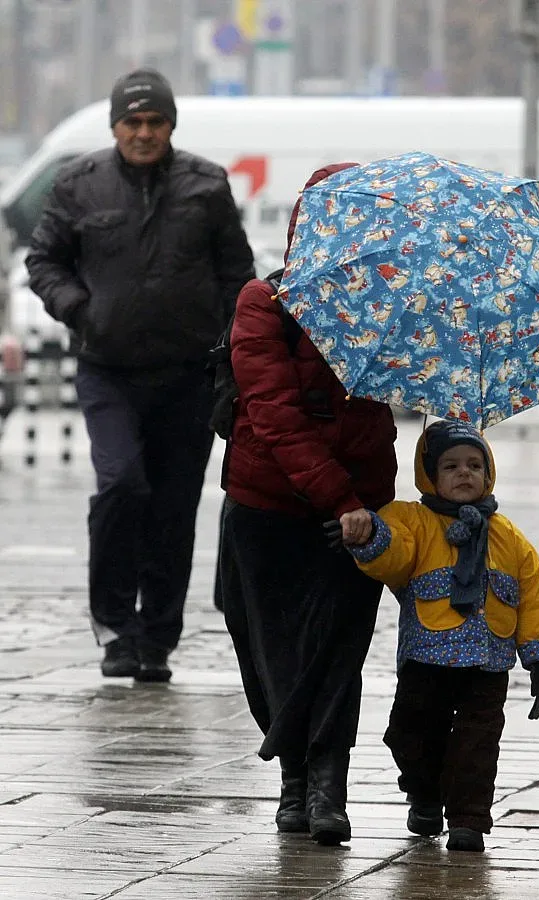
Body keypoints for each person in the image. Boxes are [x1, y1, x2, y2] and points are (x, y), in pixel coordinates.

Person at [25, 68, 256, 682]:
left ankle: (155, 638)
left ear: (171, 125)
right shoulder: (79, 184)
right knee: (123, 485)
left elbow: (238, 273)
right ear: (115, 126)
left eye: (155, 121)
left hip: (187, 375)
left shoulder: (206, 185)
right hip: (110, 370)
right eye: (134, 121)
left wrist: (233, 346)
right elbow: (43, 258)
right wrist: (78, 306)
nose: (145, 132)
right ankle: (113, 625)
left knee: (175, 507)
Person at [219, 163, 398, 847]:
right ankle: (294, 777)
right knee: (271, 652)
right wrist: (340, 498)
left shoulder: (388, 302)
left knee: (337, 653)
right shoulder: (265, 302)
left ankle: (327, 787)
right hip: (268, 506)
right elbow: (273, 414)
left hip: (360, 509)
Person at [341, 419, 539, 853]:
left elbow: (533, 594)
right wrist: (371, 535)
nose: (464, 473)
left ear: (489, 473)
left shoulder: (508, 536)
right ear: (429, 474)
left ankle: (469, 819)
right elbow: (393, 557)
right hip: (427, 656)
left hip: (487, 661)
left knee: (477, 744)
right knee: (409, 734)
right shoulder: (413, 519)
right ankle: (425, 793)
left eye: (474, 465)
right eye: (450, 466)